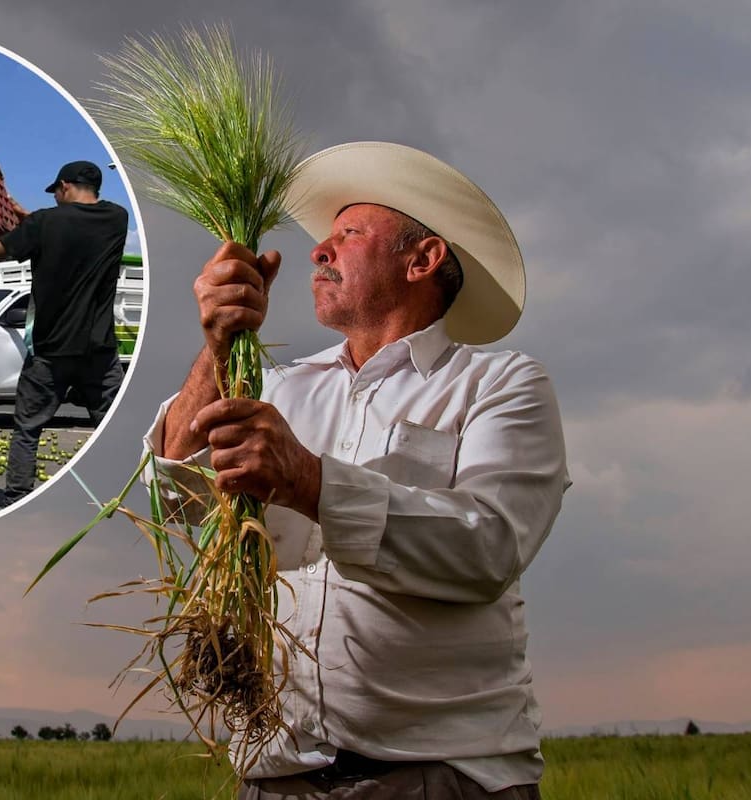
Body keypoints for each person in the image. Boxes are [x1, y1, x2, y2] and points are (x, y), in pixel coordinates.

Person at [143, 142, 570, 799]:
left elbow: (489, 546)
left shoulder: (498, 384)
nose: (319, 250)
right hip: (276, 777)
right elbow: (176, 499)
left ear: (422, 259)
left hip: (440, 779)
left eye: (348, 233)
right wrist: (218, 344)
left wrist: (309, 482)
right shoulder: (280, 389)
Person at [0, 160, 129, 503]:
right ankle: (129, 496)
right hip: (99, 350)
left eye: (55, 193)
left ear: (64, 186)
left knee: (27, 430)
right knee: (115, 428)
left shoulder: (44, 224)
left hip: (52, 351)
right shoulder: (117, 219)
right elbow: (72, 230)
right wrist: (31, 222)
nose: (54, 199)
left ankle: (17, 499)